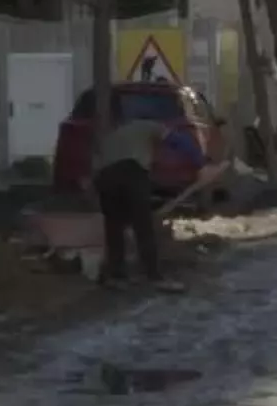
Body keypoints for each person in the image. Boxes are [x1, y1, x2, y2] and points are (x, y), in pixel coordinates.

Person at [91, 94, 214, 293]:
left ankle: (116, 276)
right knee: (143, 225)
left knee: (114, 227)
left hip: (104, 178)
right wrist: (200, 163)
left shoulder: (115, 134)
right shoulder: (150, 126)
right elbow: (178, 141)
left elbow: (97, 163)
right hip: (131, 172)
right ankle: (154, 276)